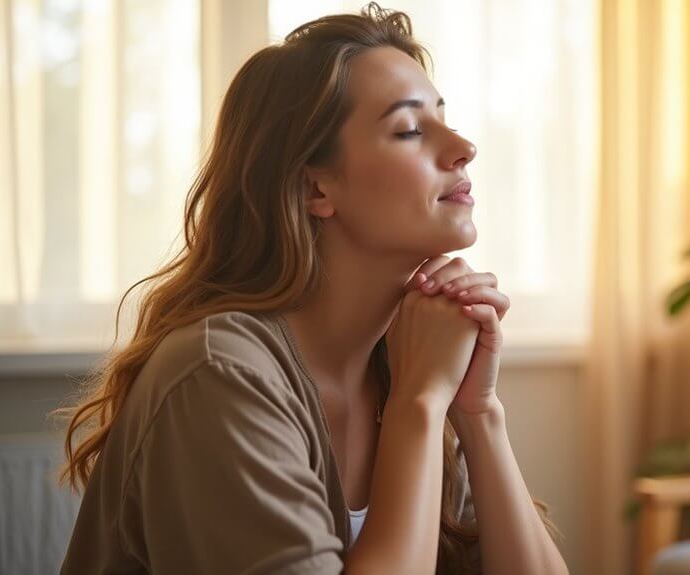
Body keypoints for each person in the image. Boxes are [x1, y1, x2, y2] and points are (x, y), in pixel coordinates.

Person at [54, 3, 568, 573]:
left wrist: (479, 413)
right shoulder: (221, 374)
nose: (463, 146)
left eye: (444, 118)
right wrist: (417, 407)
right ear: (314, 188)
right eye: (409, 129)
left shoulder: (409, 360)